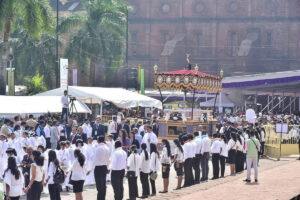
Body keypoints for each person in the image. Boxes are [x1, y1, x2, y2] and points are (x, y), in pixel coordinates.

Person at [90, 136, 110, 200]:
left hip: (98, 168)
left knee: (99, 185)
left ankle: (100, 198)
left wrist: (91, 168)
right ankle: (102, 198)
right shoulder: (107, 148)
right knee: (103, 184)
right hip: (104, 167)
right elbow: (108, 159)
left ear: (98, 141)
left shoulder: (98, 148)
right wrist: (108, 167)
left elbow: (94, 159)